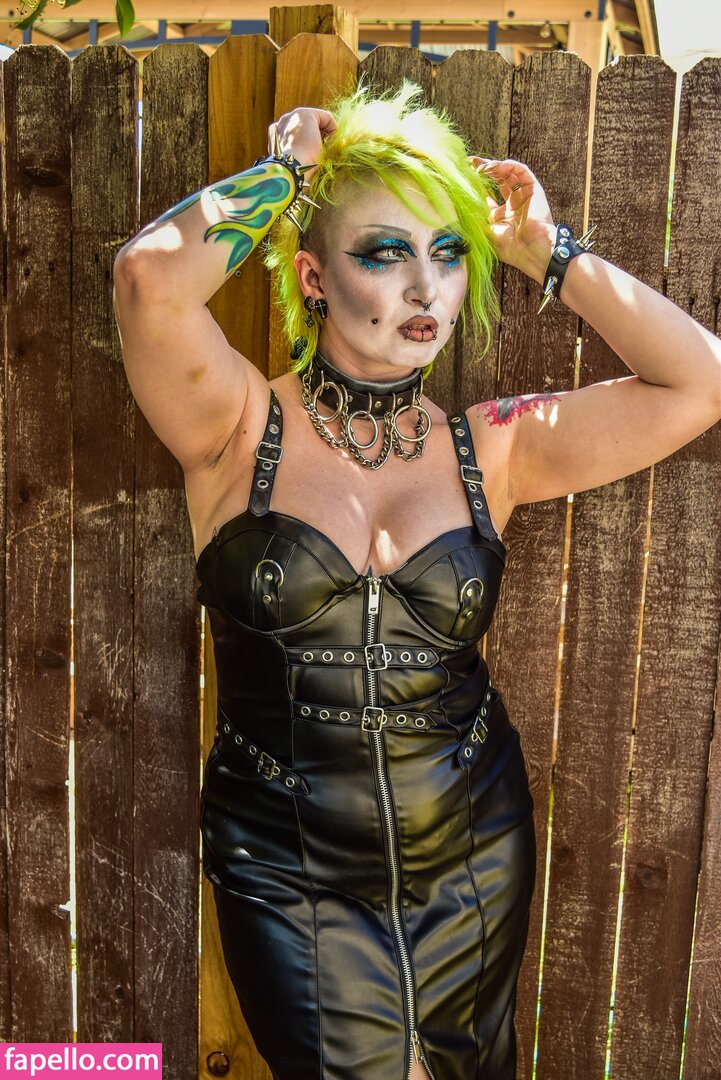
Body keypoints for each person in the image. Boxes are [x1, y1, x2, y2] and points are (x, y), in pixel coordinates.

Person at [112, 80, 721, 1080]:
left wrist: (544, 251)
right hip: (287, 862)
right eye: (384, 253)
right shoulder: (236, 430)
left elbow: (699, 381)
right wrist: (288, 174)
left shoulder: (493, 449)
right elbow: (147, 281)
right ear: (313, 277)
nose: (424, 288)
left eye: (445, 253)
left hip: (473, 847)